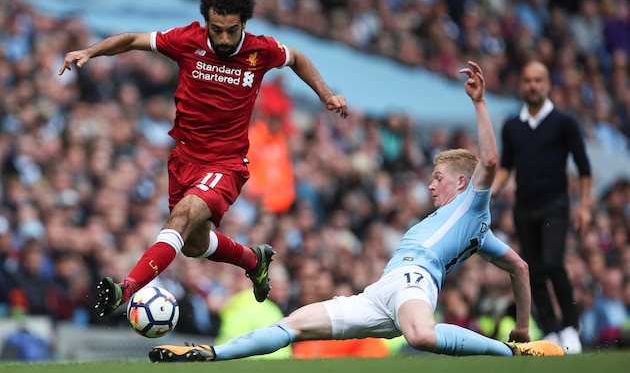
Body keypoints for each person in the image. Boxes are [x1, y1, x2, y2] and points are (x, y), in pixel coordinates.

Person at [147, 61, 564, 363]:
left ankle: (509, 353)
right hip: (381, 294)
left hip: (415, 283)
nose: (431, 184)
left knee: (421, 335)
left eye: (438, 177)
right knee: (293, 325)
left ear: (461, 182)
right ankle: (208, 354)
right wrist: (524, 323)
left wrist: (479, 103)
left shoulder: (474, 207)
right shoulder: (478, 234)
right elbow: (520, 268)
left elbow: (489, 163)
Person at [58, 0, 349, 316]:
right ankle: (254, 260)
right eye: (216, 30)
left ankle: (126, 290)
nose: (223, 39)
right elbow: (132, 40)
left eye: (231, 31)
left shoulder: (261, 50)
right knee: (195, 246)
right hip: (183, 159)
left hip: (225, 165)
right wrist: (90, 51)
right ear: (206, 23)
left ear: (244, 24)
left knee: (179, 219)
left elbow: (297, 58)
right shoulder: (186, 40)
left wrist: (325, 94)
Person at [491, 60, 592, 354]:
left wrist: (584, 205)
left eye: (538, 80)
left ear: (547, 84)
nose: (533, 86)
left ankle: (571, 325)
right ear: (520, 85)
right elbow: (507, 166)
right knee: (533, 270)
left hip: (555, 204)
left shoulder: (564, 122)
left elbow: (583, 166)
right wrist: (490, 192)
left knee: (553, 263)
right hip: (525, 205)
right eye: (527, 80)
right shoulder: (512, 126)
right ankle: (551, 329)